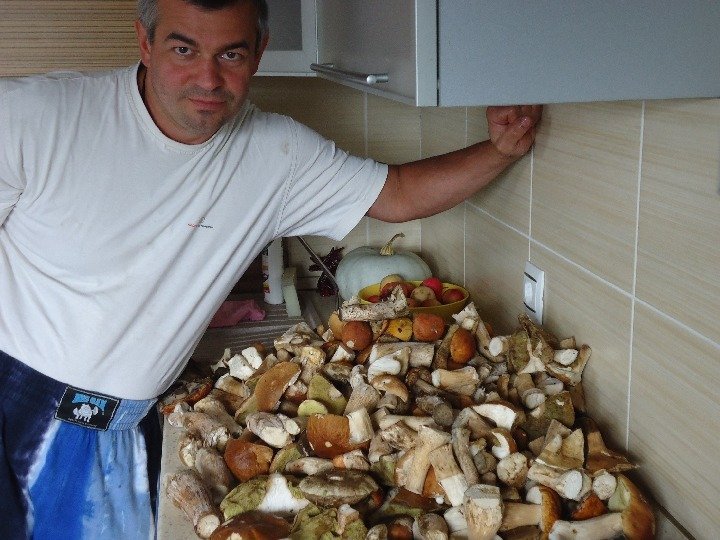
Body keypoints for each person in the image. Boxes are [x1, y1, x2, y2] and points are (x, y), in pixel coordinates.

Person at [0, 0, 541, 537]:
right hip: (14, 402)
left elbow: (396, 193)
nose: (207, 78)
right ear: (145, 41)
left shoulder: (277, 153)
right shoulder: (34, 116)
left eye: (230, 54)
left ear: (259, 52)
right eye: (184, 50)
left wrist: (501, 149)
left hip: (123, 428)